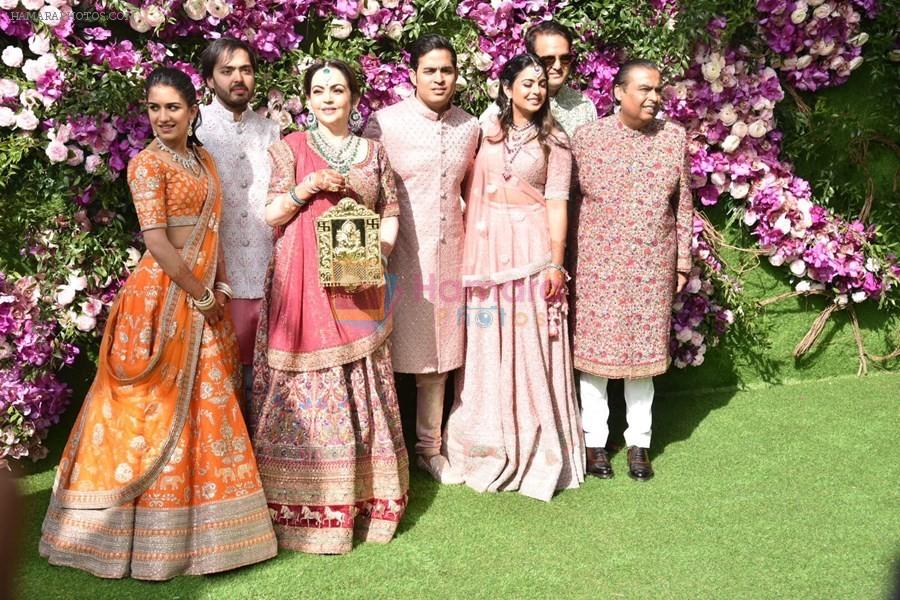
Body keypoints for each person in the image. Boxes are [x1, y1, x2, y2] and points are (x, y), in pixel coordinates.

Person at [39, 67, 277, 580]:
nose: (163, 117)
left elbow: (213, 232)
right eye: (154, 107)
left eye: (173, 107)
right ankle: (131, 531)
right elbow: (158, 243)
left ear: (194, 110)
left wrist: (219, 289)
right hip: (162, 301)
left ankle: (214, 534)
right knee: (147, 411)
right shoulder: (147, 166)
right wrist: (202, 294)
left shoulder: (204, 158)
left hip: (204, 295)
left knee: (209, 402)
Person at [250, 59, 408, 555]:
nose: (327, 98)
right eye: (318, 91)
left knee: (363, 375)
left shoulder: (374, 153)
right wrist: (307, 187)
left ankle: (365, 502)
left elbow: (390, 210)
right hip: (301, 284)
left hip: (357, 281)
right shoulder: (290, 149)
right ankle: (294, 504)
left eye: (337, 89)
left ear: (354, 98)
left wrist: (377, 254)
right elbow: (270, 214)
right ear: (307, 98)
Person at [443, 54, 585, 502]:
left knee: (531, 345)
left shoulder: (556, 141)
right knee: (487, 343)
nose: (535, 91)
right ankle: (486, 440)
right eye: (526, 83)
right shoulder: (484, 132)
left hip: (531, 252)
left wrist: (555, 263)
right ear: (506, 88)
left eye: (541, 84)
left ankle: (538, 445)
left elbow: (558, 201)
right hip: (484, 253)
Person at [364, 34, 480, 484]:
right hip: (395, 256)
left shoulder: (470, 127)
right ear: (412, 74)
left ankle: (429, 449)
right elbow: (366, 185)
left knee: (439, 357)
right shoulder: (385, 122)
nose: (438, 78)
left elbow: (475, 190)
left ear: (456, 76)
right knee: (382, 350)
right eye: (429, 70)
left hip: (452, 255)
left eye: (446, 70)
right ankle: (382, 450)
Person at [570, 59, 693, 481]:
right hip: (597, 267)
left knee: (644, 360)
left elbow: (684, 205)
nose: (654, 98)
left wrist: (682, 260)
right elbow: (568, 205)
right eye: (644, 89)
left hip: (652, 265)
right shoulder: (586, 139)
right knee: (595, 361)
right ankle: (594, 445)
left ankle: (639, 444)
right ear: (618, 92)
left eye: (658, 90)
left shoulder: (674, 138)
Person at [197, 38, 280, 395]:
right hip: (218, 271)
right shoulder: (194, 131)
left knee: (261, 374)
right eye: (227, 71)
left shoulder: (271, 131)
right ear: (209, 80)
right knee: (219, 372)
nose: (238, 79)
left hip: (265, 266)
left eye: (245, 70)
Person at [480, 21, 597, 139]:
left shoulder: (584, 107)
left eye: (565, 59)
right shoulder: (497, 115)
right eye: (548, 60)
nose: (557, 66)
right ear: (531, 58)